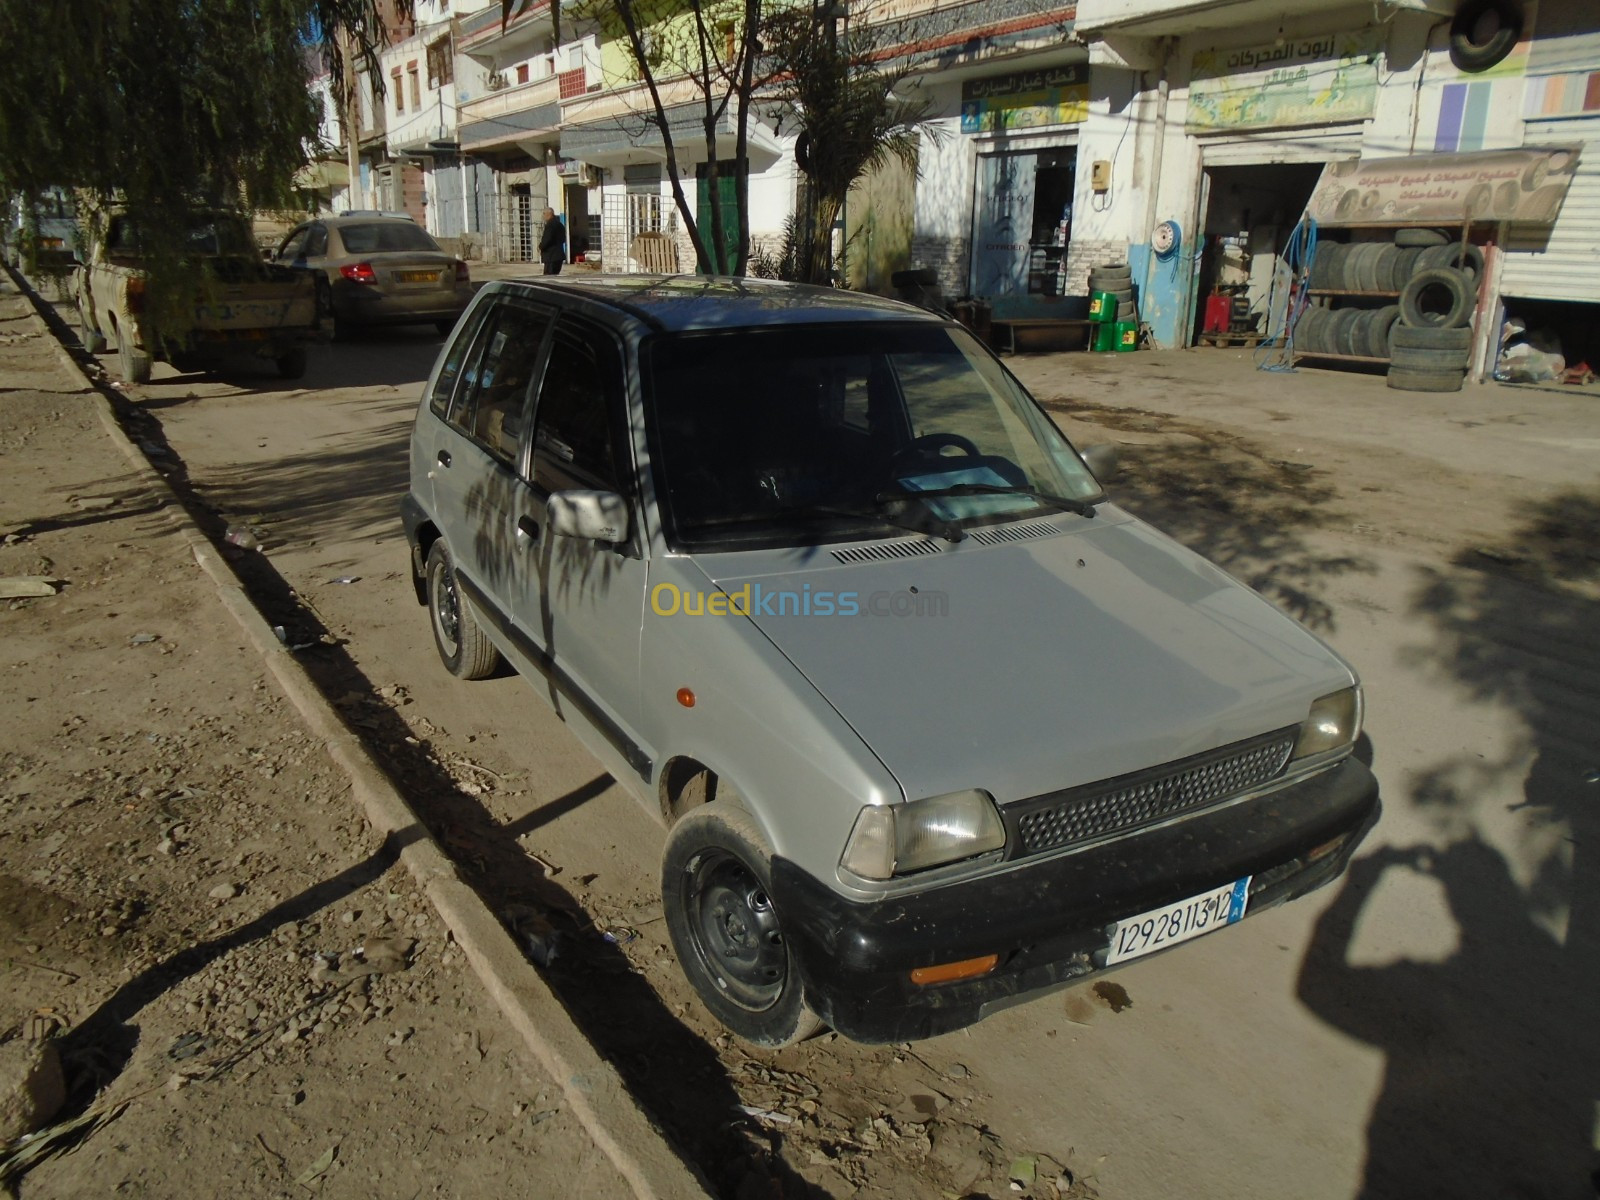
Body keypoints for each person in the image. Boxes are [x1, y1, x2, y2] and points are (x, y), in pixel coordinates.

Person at [539, 207, 566, 276]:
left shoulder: (550, 225)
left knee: (548, 277)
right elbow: (563, 239)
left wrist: (541, 246)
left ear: (549, 214)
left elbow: (547, 239)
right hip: (559, 256)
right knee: (555, 275)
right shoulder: (560, 225)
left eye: (544, 214)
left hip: (551, 257)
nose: (543, 216)